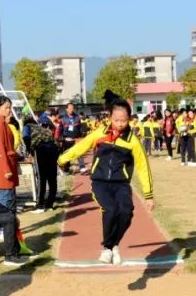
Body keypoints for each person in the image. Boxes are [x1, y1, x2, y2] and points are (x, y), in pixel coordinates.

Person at [57, 92, 154, 265]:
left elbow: (142, 167)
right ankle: (108, 248)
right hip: (100, 183)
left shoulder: (133, 141)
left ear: (129, 119)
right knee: (110, 210)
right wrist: (63, 158)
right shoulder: (99, 133)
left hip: (121, 184)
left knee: (126, 211)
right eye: (116, 120)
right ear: (110, 117)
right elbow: (82, 146)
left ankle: (112, 245)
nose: (120, 124)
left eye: (124, 120)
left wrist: (148, 195)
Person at [0, 96, 19, 214]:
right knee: (6, 201)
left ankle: (6, 230)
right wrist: (6, 169)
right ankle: (3, 231)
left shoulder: (1, 122)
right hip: (3, 169)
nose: (9, 110)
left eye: (10, 108)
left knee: (7, 200)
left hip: (5, 165)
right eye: (6, 108)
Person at [29, 118, 60, 213]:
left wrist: (30, 152)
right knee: (52, 178)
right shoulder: (49, 134)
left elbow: (30, 142)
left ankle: (40, 205)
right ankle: (50, 204)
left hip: (41, 151)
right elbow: (56, 144)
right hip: (53, 150)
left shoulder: (30, 128)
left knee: (42, 178)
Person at [60, 102, 85, 173]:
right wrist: (61, 139)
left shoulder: (77, 117)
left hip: (76, 139)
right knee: (67, 154)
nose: (71, 109)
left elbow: (80, 127)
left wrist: (81, 137)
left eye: (72, 108)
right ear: (66, 109)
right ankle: (67, 169)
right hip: (67, 139)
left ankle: (82, 167)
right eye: (70, 108)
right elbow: (60, 129)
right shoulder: (63, 119)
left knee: (79, 152)